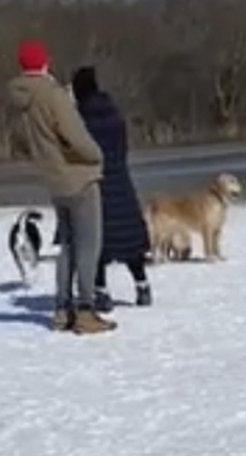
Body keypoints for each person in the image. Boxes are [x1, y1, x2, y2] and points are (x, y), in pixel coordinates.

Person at [6, 38, 115, 334]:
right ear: (44, 62)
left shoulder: (20, 101)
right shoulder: (52, 95)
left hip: (53, 180)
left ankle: (61, 309)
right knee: (88, 246)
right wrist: (96, 155)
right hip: (78, 177)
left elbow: (22, 143)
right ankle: (85, 310)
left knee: (67, 245)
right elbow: (76, 135)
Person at [70, 66, 152, 311]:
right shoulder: (114, 114)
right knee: (130, 239)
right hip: (122, 180)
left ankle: (101, 292)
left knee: (97, 242)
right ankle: (142, 285)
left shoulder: (80, 119)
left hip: (96, 184)